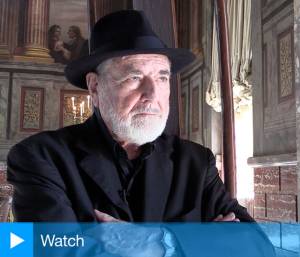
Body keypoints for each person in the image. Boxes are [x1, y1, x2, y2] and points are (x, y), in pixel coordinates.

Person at [8, 10, 252, 223]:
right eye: (134, 78)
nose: (152, 94)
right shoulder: (41, 157)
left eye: (162, 78)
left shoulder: (196, 163)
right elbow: (42, 249)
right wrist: (197, 243)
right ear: (94, 87)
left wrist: (158, 243)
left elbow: (254, 246)